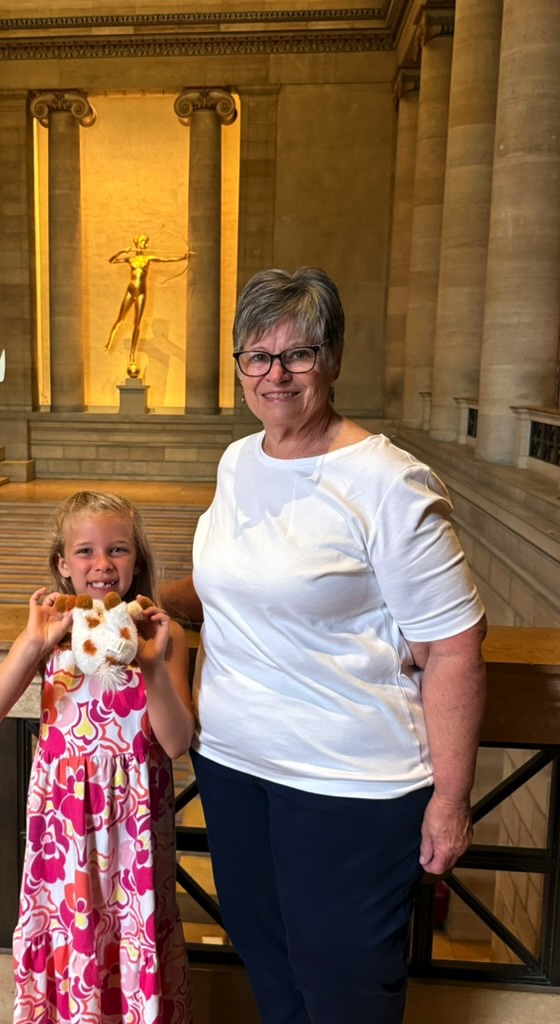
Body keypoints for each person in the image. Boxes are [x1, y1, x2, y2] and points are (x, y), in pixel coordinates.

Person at [159, 267, 487, 1024]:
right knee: (271, 971)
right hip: (234, 768)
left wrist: (450, 801)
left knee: (345, 992)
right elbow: (232, 583)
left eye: (298, 354)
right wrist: (143, 605)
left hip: (350, 787)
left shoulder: (388, 484)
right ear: (239, 366)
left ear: (333, 360)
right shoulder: (239, 461)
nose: (275, 374)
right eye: (257, 356)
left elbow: (455, 647)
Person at [0, 491, 194, 1024]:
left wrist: (153, 665)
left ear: (137, 561)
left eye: (117, 549)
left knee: (134, 931)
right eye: (85, 551)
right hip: (64, 822)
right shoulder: (52, 634)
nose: (102, 564)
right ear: (63, 564)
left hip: (136, 822)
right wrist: (32, 645)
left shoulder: (163, 633)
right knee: (71, 932)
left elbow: (177, 742)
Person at [106, 234, 191, 379]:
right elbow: (112, 260)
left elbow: (165, 259)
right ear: (137, 243)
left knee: (136, 324)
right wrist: (123, 251)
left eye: (145, 242)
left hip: (141, 292)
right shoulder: (131, 259)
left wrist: (182, 258)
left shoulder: (147, 258)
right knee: (120, 319)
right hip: (130, 290)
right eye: (142, 242)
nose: (144, 245)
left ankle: (132, 355)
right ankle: (110, 341)